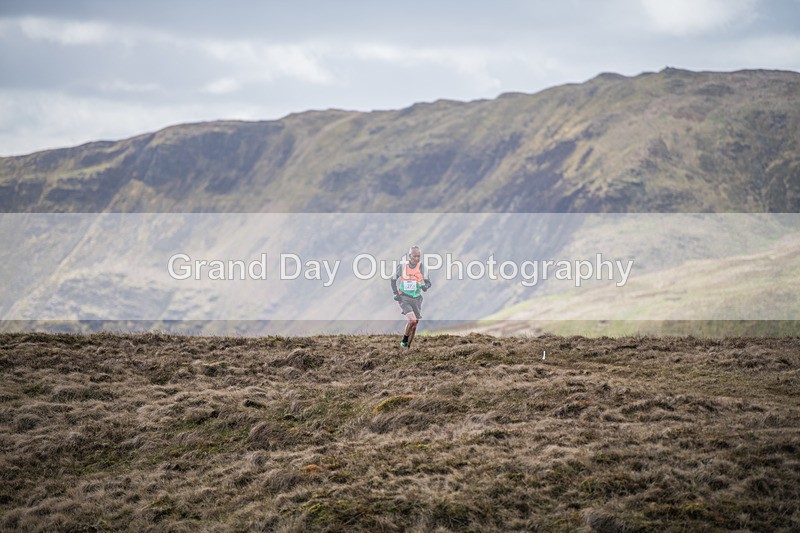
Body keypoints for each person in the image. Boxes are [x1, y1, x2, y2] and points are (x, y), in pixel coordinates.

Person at [391, 245, 431, 348]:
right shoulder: (403, 266)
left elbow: (428, 282)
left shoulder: (422, 267)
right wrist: (395, 293)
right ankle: (404, 341)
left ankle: (407, 347)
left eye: (419, 256)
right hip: (404, 297)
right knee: (412, 320)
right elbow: (393, 279)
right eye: (415, 256)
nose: (417, 259)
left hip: (417, 298)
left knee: (415, 324)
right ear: (410, 256)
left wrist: (425, 287)